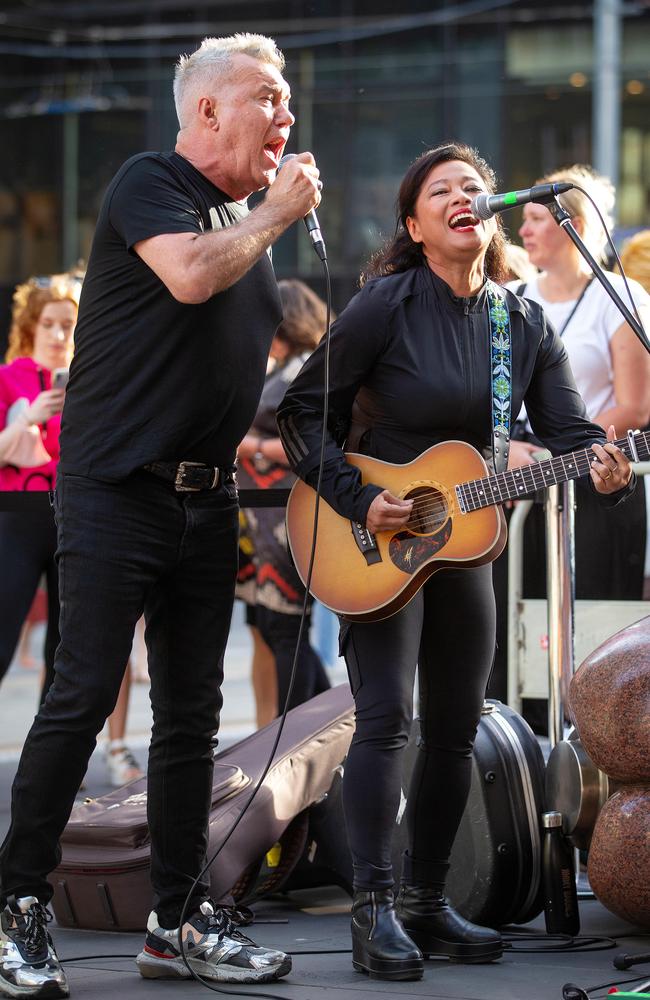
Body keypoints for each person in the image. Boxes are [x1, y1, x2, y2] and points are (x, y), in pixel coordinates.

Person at [0, 32, 321, 998]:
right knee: (83, 691)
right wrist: (271, 212)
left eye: (289, 99)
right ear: (209, 110)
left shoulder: (248, 225)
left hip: (205, 494)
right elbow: (187, 273)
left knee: (192, 716)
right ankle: (17, 909)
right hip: (112, 488)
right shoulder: (151, 182)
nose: (287, 116)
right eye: (268, 96)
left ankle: (177, 919)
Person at [277, 142, 635, 982]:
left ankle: (427, 904)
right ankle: (371, 910)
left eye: (474, 185)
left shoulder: (521, 321)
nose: (463, 196)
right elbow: (302, 413)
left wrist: (607, 469)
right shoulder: (383, 305)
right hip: (372, 537)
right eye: (441, 189)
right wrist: (361, 499)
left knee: (452, 731)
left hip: (466, 541)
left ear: (495, 212)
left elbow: (575, 435)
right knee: (385, 720)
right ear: (414, 223)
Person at [0, 274, 143, 789]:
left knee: (66, 649)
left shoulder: (93, 377)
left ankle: (48, 767)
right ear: (30, 325)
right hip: (15, 516)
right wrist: (30, 419)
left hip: (78, 515)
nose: (60, 334)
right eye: (50, 323)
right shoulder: (8, 377)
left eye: (69, 324)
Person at [237, 279, 330, 719]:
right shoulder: (281, 366)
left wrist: (249, 445)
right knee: (269, 625)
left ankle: (315, 726)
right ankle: (322, 722)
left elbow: (312, 445)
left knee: (286, 628)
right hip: (259, 519)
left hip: (290, 513)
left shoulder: (305, 369)